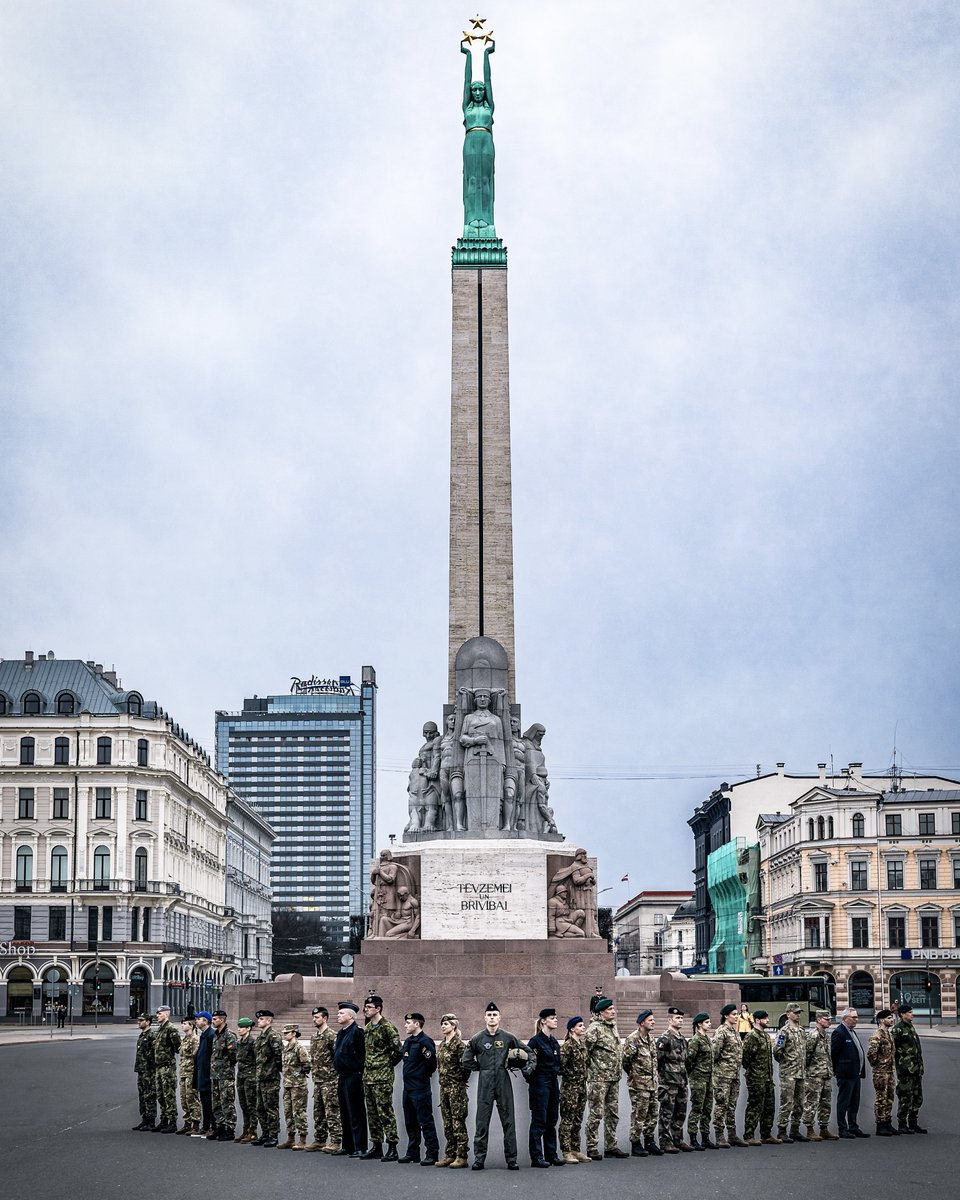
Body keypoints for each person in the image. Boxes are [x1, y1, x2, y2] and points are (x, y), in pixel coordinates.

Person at [462, 1000, 534, 1171]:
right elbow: (465, 1059)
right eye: (489, 1015)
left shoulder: (508, 1037)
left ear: (500, 1018)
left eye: (495, 1015)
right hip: (485, 1083)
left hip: (503, 1080)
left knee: (508, 1121)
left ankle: (512, 1159)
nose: (492, 1017)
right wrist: (480, 1067)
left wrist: (527, 1068)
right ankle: (479, 1159)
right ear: (484, 1018)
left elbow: (529, 1052)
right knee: (482, 1122)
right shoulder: (477, 1039)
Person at [360, 993, 403, 1160]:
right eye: (366, 1007)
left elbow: (397, 1051)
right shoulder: (368, 1027)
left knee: (385, 1111)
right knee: (372, 1113)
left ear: (378, 1009)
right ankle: (376, 1145)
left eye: (369, 1007)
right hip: (368, 1076)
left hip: (382, 1077)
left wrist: (385, 1065)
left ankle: (392, 1147)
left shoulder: (387, 1027)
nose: (366, 1010)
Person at [460, 37, 496, 234]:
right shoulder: (467, 107)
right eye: (474, 89)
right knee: (472, 179)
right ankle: (471, 220)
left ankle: (487, 220)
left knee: (486, 179)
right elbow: (466, 81)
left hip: (486, 141)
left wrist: (486, 55)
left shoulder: (489, 107)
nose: (478, 92)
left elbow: (489, 80)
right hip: (471, 141)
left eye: (481, 89)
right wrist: (467, 55)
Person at [584, 997, 627, 1159]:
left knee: (613, 1113)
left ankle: (611, 1146)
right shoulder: (594, 1029)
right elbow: (585, 1052)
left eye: (613, 1009)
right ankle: (592, 1146)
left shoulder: (612, 1026)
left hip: (613, 1077)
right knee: (596, 1113)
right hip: (598, 1079)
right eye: (610, 1009)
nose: (613, 1011)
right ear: (601, 1012)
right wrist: (593, 1070)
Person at [398, 1012, 440, 1165]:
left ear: (417, 1024)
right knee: (410, 1122)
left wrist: (420, 1077)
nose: (405, 1025)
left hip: (420, 1088)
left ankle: (432, 1153)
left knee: (425, 1121)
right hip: (408, 1088)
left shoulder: (425, 1042)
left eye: (408, 1022)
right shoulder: (408, 1042)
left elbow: (431, 1065)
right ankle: (413, 1152)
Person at [527, 1007, 564, 1167]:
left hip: (552, 1082)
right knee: (539, 1121)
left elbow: (558, 1065)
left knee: (552, 1120)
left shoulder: (553, 1041)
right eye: (552, 1018)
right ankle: (537, 1157)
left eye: (556, 1018)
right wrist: (535, 1083)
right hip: (540, 1083)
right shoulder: (535, 1042)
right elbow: (527, 1066)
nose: (555, 1020)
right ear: (543, 1021)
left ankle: (551, 1155)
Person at [622, 1008, 660, 1157]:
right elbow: (626, 1061)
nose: (653, 1022)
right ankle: (636, 1143)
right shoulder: (633, 1039)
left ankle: (649, 1141)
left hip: (652, 1083)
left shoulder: (651, 1038)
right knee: (639, 1114)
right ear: (642, 1022)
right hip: (639, 1085)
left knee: (653, 1113)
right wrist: (634, 1076)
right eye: (650, 1020)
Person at [435, 1013, 470, 1168]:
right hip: (444, 1088)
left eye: (446, 1024)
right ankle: (450, 1154)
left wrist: (459, 1082)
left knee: (458, 1121)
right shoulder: (442, 1045)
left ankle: (461, 1156)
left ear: (454, 1026)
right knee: (447, 1123)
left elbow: (466, 1068)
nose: (443, 1026)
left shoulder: (460, 1046)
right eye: (442, 1024)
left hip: (456, 1088)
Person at [333, 1000, 368, 1156]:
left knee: (356, 1112)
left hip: (354, 1076)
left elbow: (362, 1055)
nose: (338, 1015)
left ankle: (359, 1146)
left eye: (341, 1013)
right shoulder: (341, 1033)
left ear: (351, 1016)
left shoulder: (357, 1032)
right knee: (345, 1112)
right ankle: (347, 1145)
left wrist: (358, 1073)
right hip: (342, 1076)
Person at [307, 1006, 341, 1153]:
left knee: (332, 1112)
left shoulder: (331, 1035)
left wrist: (335, 1076)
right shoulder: (315, 1037)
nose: (314, 1019)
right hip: (318, 1080)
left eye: (317, 1017)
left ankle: (336, 1141)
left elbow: (337, 1057)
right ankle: (320, 1139)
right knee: (318, 1112)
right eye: (314, 1017)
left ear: (325, 1018)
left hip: (330, 1080)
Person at [656, 1007, 691, 1153]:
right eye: (677, 1018)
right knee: (667, 1113)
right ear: (669, 1020)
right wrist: (663, 1078)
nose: (680, 1020)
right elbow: (658, 1060)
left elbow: (686, 1060)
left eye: (682, 1018)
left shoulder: (682, 1039)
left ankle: (677, 1139)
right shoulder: (665, 1038)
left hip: (681, 1081)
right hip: (669, 1082)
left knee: (680, 1112)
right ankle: (665, 1141)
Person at [741, 1009, 778, 1145]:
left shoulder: (766, 1036)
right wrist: (754, 1072)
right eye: (765, 1018)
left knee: (769, 1106)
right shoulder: (752, 1036)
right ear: (757, 1020)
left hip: (767, 1077)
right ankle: (749, 1135)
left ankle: (766, 1134)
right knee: (755, 1106)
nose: (768, 1020)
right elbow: (746, 1059)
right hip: (756, 1078)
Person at [830, 1007, 869, 1138]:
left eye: (856, 1017)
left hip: (855, 1074)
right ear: (845, 1018)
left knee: (854, 1102)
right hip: (845, 1074)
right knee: (844, 1102)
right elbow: (833, 1054)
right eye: (854, 1017)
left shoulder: (852, 1032)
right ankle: (843, 1128)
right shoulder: (839, 1032)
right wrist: (838, 1070)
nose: (856, 1019)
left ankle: (853, 1126)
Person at [712, 1003, 746, 1148]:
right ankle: (719, 1135)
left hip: (734, 1075)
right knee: (721, 1105)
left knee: (731, 1106)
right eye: (733, 1014)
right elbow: (714, 1053)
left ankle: (732, 1135)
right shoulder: (722, 1031)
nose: (736, 1016)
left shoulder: (734, 1032)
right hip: (723, 1076)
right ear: (726, 1016)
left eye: (737, 1014)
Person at [774, 1002, 808, 1143]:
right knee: (787, 1102)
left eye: (799, 1012)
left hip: (800, 1072)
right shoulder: (784, 1031)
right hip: (789, 1073)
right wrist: (785, 1063)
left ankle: (795, 1129)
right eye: (795, 1012)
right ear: (788, 1014)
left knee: (800, 1103)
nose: (798, 1015)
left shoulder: (801, 1031)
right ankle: (782, 1131)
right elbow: (777, 1051)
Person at [803, 1009, 838, 1140]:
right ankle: (809, 1129)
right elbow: (807, 1055)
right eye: (826, 1019)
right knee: (811, 1102)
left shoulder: (826, 1035)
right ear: (818, 1020)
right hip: (814, 1075)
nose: (829, 1021)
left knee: (826, 1103)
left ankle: (824, 1128)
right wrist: (809, 1071)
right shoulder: (813, 1035)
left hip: (826, 1074)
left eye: (829, 1019)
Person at [558, 1015, 589, 1163]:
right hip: (570, 1087)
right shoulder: (568, 1046)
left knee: (577, 1119)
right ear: (572, 1029)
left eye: (583, 1025)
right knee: (567, 1120)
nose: (583, 1028)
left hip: (582, 1087)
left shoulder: (582, 1045)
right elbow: (561, 1067)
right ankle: (566, 1151)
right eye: (580, 1026)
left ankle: (576, 1149)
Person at [891, 1002, 926, 1134]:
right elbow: (893, 1049)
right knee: (906, 1097)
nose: (912, 1015)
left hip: (916, 1069)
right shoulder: (898, 1029)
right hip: (906, 1070)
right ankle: (902, 1123)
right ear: (902, 1014)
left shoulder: (910, 1027)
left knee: (917, 1097)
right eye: (910, 1012)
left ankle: (913, 1122)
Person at [252, 1007, 283, 1147]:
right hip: (260, 1077)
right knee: (260, 1107)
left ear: (269, 1020)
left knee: (271, 1107)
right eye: (258, 1019)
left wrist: (273, 1071)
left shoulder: (273, 1036)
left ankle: (273, 1135)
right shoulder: (260, 1037)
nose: (259, 1021)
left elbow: (278, 1056)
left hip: (270, 1078)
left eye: (262, 1019)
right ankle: (265, 1133)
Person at [278, 1023, 311, 1150]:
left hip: (298, 1085)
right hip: (287, 1084)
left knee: (299, 1112)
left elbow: (306, 1065)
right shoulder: (286, 1048)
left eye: (287, 1033)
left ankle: (302, 1139)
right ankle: (290, 1138)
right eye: (284, 1033)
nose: (285, 1035)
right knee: (288, 1112)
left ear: (294, 1033)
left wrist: (298, 1074)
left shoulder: (299, 1048)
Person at [685, 1012, 715, 1150]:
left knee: (707, 1108)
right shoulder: (695, 1040)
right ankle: (692, 1137)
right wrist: (694, 1074)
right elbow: (689, 1061)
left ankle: (705, 1137)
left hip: (709, 1078)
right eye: (707, 1022)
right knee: (697, 1107)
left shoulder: (707, 1039)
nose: (709, 1024)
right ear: (699, 1024)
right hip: (698, 1078)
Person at [867, 1008, 898, 1136]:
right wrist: (878, 1065)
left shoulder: (889, 1034)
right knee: (881, 1098)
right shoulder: (877, 1035)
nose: (891, 1020)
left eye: (891, 1018)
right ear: (881, 1020)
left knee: (890, 1097)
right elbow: (871, 1054)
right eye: (889, 1018)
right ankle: (880, 1124)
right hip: (880, 1072)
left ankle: (887, 1122)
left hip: (890, 1071)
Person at [209, 1009, 238, 1141]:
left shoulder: (229, 1036)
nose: (213, 1021)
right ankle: (219, 1126)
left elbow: (233, 1056)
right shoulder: (216, 1035)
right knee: (216, 1103)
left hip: (225, 1075)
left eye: (215, 1019)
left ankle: (230, 1129)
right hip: (215, 1075)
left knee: (227, 1102)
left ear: (222, 1020)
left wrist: (225, 1067)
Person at [153, 1004, 181, 1133]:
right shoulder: (160, 1029)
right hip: (158, 1066)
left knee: (168, 1094)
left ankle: (172, 1121)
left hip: (167, 1066)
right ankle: (163, 1119)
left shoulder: (171, 1029)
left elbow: (177, 1047)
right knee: (160, 1095)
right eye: (157, 1013)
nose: (157, 1015)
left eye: (160, 1013)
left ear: (166, 1014)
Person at [234, 1016, 259, 1142]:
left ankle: (253, 1131)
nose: (239, 1029)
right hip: (241, 1076)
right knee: (243, 1104)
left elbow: (257, 1060)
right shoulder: (239, 1043)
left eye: (242, 1027)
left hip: (250, 1077)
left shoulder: (252, 1042)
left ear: (248, 1028)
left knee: (251, 1105)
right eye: (239, 1027)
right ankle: (246, 1129)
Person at [177, 1016, 202, 1135]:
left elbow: (196, 1057)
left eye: (185, 1023)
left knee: (192, 1098)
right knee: (184, 1099)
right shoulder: (184, 1039)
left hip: (191, 1072)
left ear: (191, 1025)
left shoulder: (195, 1039)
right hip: (183, 1072)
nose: (182, 1025)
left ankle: (196, 1123)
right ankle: (187, 1123)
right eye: (182, 1023)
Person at [132, 1013, 157, 1131]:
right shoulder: (142, 1035)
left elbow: (155, 1052)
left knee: (149, 1094)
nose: (139, 1022)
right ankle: (144, 1118)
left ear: (148, 1022)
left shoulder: (152, 1035)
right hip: (141, 1069)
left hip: (149, 1070)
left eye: (141, 1020)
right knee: (142, 1094)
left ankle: (151, 1120)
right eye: (138, 1020)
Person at [192, 1011, 215, 1136]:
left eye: (199, 1019)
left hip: (207, 1075)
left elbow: (212, 1057)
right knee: (204, 1101)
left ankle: (211, 1126)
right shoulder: (204, 1034)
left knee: (209, 1102)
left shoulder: (211, 1035)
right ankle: (205, 1126)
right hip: (202, 1074)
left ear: (205, 1021)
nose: (196, 1021)